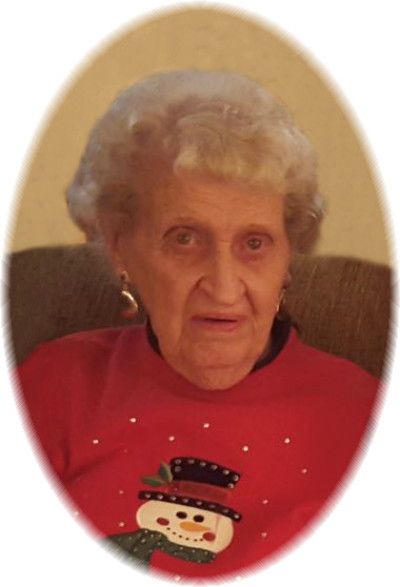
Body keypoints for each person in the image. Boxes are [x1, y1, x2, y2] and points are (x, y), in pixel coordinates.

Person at [16, 70, 379, 580]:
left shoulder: (366, 417)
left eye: (255, 243)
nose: (225, 288)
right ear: (120, 247)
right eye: (185, 238)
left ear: (287, 258)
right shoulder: (55, 384)